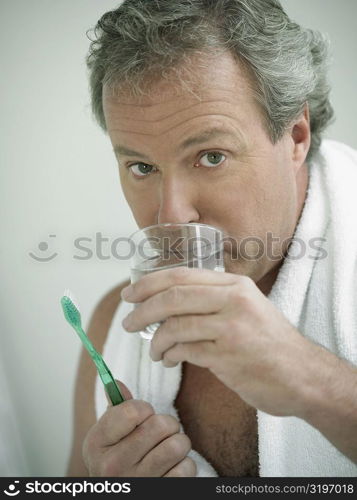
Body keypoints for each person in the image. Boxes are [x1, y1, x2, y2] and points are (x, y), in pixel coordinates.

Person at [67, 0, 357, 477]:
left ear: (296, 136)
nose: (172, 214)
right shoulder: (111, 328)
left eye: (211, 156)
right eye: (142, 167)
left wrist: (312, 380)